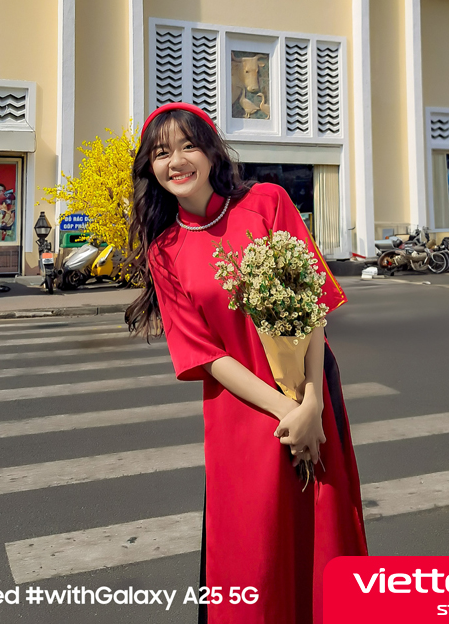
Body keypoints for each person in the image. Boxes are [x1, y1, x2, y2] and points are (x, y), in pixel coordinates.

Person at [126, 102, 367, 624]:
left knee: (321, 533)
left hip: (311, 392)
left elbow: (312, 299)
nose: (177, 161)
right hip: (242, 412)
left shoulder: (266, 203)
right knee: (254, 552)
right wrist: (285, 411)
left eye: (188, 146)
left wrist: (311, 403)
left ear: (212, 153)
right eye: (162, 153)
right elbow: (204, 354)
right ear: (151, 168)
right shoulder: (165, 250)